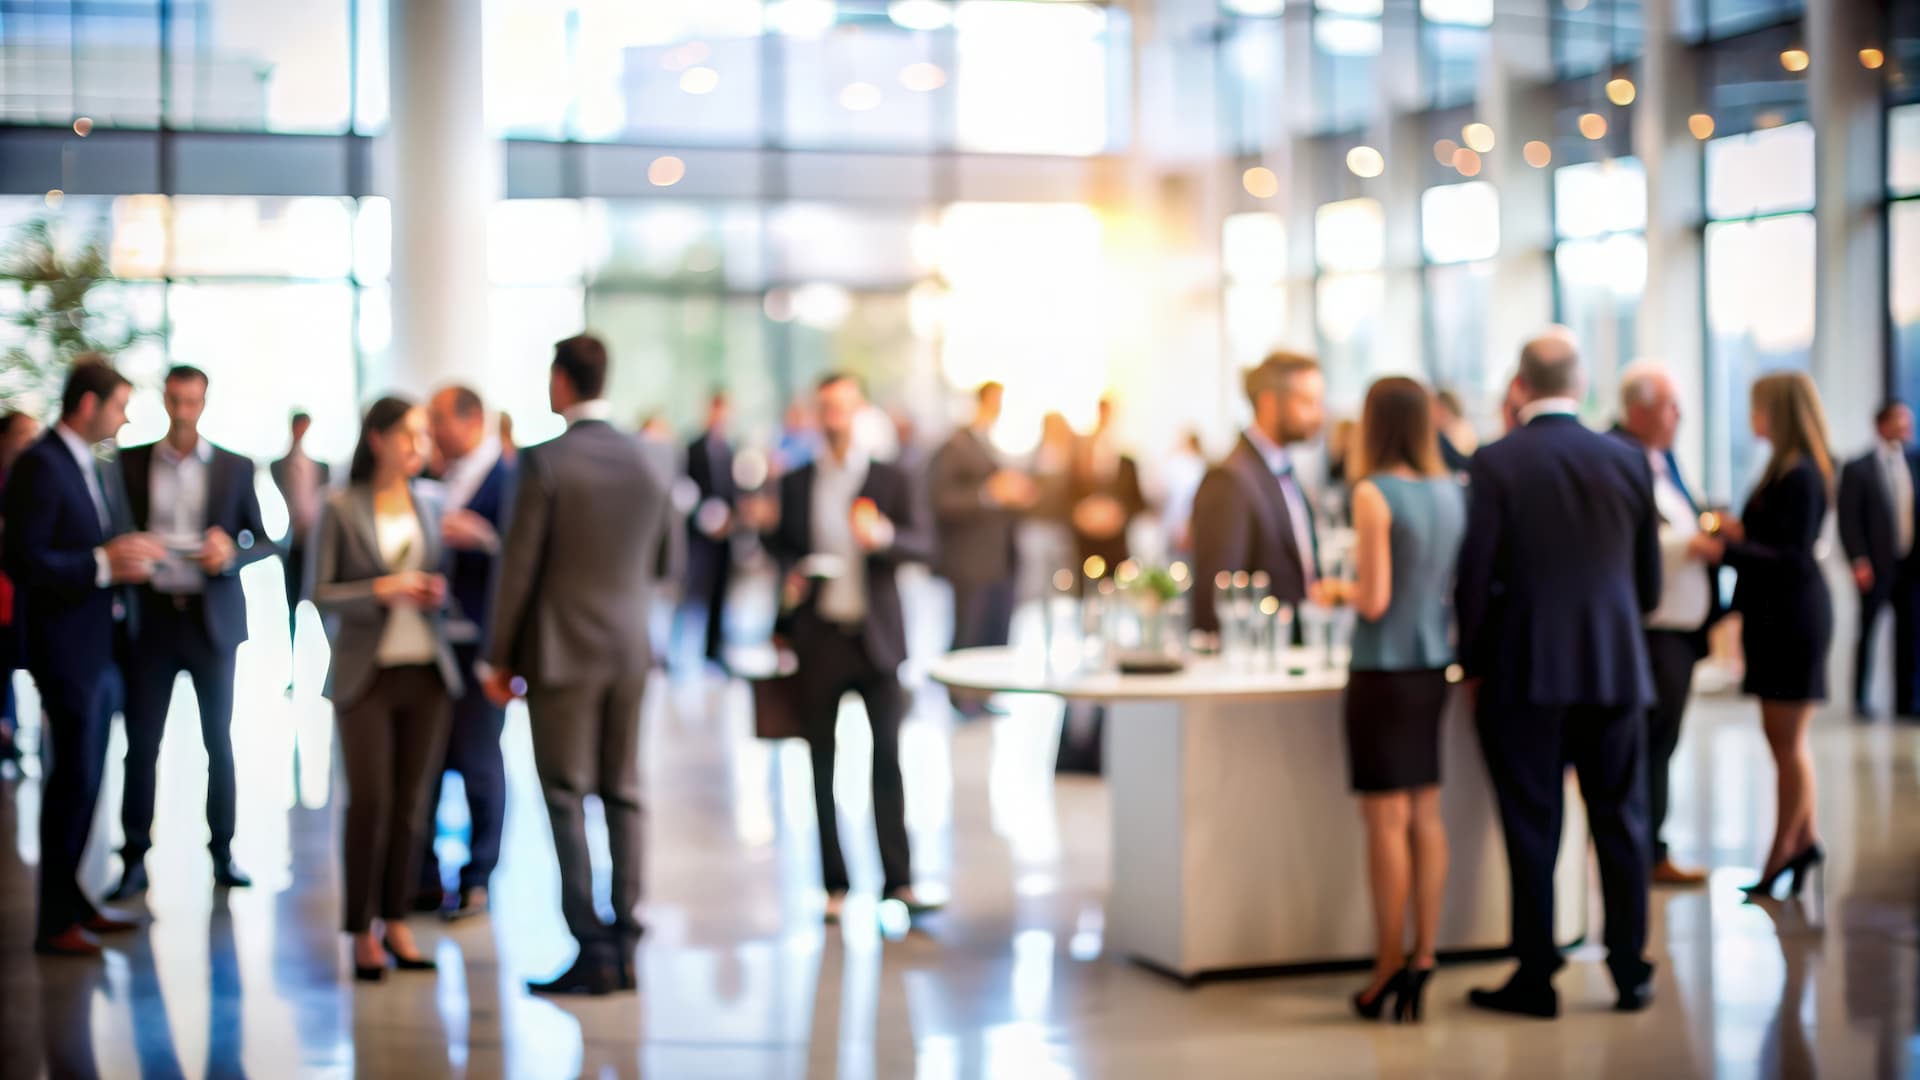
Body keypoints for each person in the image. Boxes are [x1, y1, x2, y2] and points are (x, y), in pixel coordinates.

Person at [1455, 334, 1661, 1018]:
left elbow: (1476, 577)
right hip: (1614, 668)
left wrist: (1475, 663)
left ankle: (1536, 974)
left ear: (1519, 383)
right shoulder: (1629, 459)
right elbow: (1649, 585)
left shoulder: (1497, 461)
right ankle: (1630, 970)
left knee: (1532, 825)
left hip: (1526, 671)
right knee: (1622, 822)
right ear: (1583, 381)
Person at [484, 334, 673, 996]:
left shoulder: (544, 463)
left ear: (562, 382)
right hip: (629, 651)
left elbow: (518, 570)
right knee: (623, 790)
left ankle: (588, 943)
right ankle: (626, 937)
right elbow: (666, 564)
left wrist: (498, 657)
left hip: (560, 654)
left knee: (565, 794)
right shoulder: (651, 462)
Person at [762, 372, 939, 924]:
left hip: (877, 640)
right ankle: (834, 884)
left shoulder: (891, 478)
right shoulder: (796, 483)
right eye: (826, 409)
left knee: (887, 758)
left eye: (844, 408)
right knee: (821, 764)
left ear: (860, 412)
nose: (835, 419)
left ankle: (899, 880)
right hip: (820, 638)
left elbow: (923, 545)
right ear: (817, 416)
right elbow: (784, 552)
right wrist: (787, 594)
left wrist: (881, 536)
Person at [4, 358, 164, 956]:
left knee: (88, 779)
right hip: (65, 653)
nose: (123, 420)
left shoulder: (87, 463)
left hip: (100, 647)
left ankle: (74, 902)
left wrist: (124, 554)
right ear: (88, 403)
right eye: (118, 407)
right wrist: (103, 564)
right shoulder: (40, 464)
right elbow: (24, 560)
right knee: (70, 783)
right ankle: (54, 922)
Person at [309, 396, 459, 983]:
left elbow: (439, 578)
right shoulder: (341, 506)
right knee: (369, 803)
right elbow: (319, 592)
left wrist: (432, 593)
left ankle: (397, 921)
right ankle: (359, 930)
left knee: (412, 806)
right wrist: (383, 587)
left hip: (426, 671)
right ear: (377, 438)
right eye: (409, 434)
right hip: (364, 675)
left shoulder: (430, 501)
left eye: (423, 435)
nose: (419, 445)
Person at [110, 365, 273, 900]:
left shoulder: (233, 466)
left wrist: (231, 554)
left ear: (205, 402)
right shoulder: (131, 463)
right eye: (175, 400)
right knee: (142, 745)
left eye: (192, 402)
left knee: (218, 743)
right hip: (152, 619)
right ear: (165, 400)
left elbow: (267, 542)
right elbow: (111, 529)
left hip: (211, 622)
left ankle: (222, 852)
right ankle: (134, 857)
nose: (183, 411)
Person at [1338, 377, 1464, 1024]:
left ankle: (1386, 963)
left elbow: (1376, 598)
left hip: (1383, 669)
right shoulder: (1449, 493)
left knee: (1384, 821)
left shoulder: (1372, 493)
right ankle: (1423, 955)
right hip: (1433, 667)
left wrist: (1337, 590)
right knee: (1425, 814)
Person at [1690, 372, 1835, 899]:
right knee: (1788, 742)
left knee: (1787, 742)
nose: (1751, 419)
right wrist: (1738, 534)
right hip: (1782, 615)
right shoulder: (1790, 469)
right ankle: (1804, 838)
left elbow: (1791, 560)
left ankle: (1782, 852)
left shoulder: (1800, 474)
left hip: (1791, 618)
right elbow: (1778, 542)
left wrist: (1724, 551)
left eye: (1756, 408)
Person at [1609, 362, 1717, 888]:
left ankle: (1652, 847)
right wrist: (1688, 543)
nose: (1679, 416)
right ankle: (1642, 851)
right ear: (1640, 410)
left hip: (1679, 626)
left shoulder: (1663, 460)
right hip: (1647, 627)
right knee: (1644, 744)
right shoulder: (1617, 458)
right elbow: (1626, 541)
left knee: (1662, 743)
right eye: (1671, 405)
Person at [415, 385, 515, 920]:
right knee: (427, 760)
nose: (431, 432)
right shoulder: (432, 478)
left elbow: (522, 560)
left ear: (471, 421)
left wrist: (485, 540)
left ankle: (479, 874)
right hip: (430, 638)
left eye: (438, 420)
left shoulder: (510, 477)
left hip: (481, 642)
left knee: (479, 762)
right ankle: (425, 877)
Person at [1191, 351, 1328, 636]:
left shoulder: (1284, 470)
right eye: (1306, 402)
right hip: (1258, 659)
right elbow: (1218, 594)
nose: (1318, 415)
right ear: (1268, 402)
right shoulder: (1229, 479)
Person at [928, 382, 1035, 718]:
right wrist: (989, 493)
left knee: (992, 633)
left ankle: (981, 694)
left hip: (998, 557)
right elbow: (940, 500)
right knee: (968, 633)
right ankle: (960, 697)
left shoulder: (993, 445)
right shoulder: (956, 446)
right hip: (968, 560)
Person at [1836, 401, 1918, 719]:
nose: (1906, 426)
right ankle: (1860, 699)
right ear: (1882, 424)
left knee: (1910, 635)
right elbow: (1849, 519)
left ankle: (1907, 701)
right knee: (1867, 631)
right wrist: (1858, 559)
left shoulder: (1913, 462)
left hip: (1910, 565)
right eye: (1900, 419)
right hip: (1875, 564)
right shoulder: (1858, 468)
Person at [0, 409, 44, 767]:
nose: (31, 442)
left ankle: (18, 737)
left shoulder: (37, 482)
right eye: (22, 434)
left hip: (30, 599)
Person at [685, 391, 737, 672]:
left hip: (724, 533)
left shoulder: (730, 448)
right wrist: (704, 515)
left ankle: (713, 647)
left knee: (720, 590)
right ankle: (685, 649)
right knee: (694, 591)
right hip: (699, 532)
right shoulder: (693, 448)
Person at [1068, 396, 1148, 579]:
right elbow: (1067, 500)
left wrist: (1118, 513)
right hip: (1086, 549)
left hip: (1117, 548)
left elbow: (1139, 502)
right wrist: (1084, 514)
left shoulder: (1127, 463)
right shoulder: (1079, 460)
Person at [271, 411, 330, 657]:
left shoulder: (321, 468)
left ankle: (329, 661)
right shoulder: (279, 466)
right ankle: (293, 663)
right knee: (291, 605)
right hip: (293, 543)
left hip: (316, 543)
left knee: (324, 604)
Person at [1432, 389, 1477, 474]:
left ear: (1444, 409)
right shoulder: (1459, 426)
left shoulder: (1458, 428)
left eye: (1435, 409)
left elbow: (1459, 461)